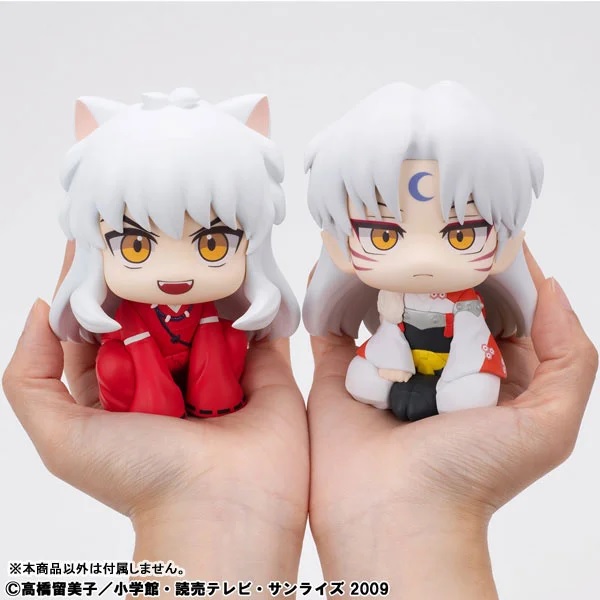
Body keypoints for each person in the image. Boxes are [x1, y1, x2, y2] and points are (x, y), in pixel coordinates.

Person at [3, 247, 596, 598]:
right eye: (136, 246)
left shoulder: (468, 304)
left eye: (209, 243)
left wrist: (428, 508)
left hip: (446, 364)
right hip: (151, 367)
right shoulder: (132, 312)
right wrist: (190, 500)